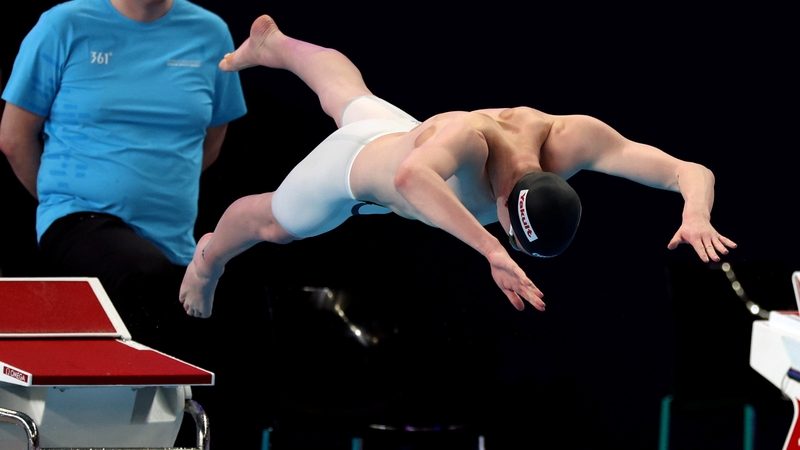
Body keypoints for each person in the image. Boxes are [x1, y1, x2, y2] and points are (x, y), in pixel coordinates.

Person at [179, 14, 735, 319]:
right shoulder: (468, 139)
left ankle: (272, 44)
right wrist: (492, 252)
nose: (506, 243)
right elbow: (407, 179)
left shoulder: (572, 139)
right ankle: (208, 259)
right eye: (512, 238)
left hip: (400, 136)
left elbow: (689, 168)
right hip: (357, 169)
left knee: (346, 93)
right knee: (273, 225)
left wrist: (696, 213)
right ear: (505, 208)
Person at [0, 0, 247, 347]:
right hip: (78, 218)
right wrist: (63, 197)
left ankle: (180, 400)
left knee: (239, 317)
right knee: (142, 277)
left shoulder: (210, 32)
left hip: (173, 239)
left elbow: (212, 138)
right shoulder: (64, 25)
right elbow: (14, 138)